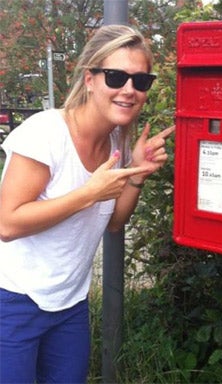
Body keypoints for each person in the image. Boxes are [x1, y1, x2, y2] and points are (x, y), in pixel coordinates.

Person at [0, 24, 174, 383]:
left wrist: (136, 175)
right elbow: (7, 223)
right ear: (90, 78)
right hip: (12, 301)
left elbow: (112, 222)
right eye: (116, 77)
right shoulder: (45, 133)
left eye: (141, 81)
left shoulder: (117, 141)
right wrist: (88, 194)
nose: (129, 90)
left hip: (69, 305)